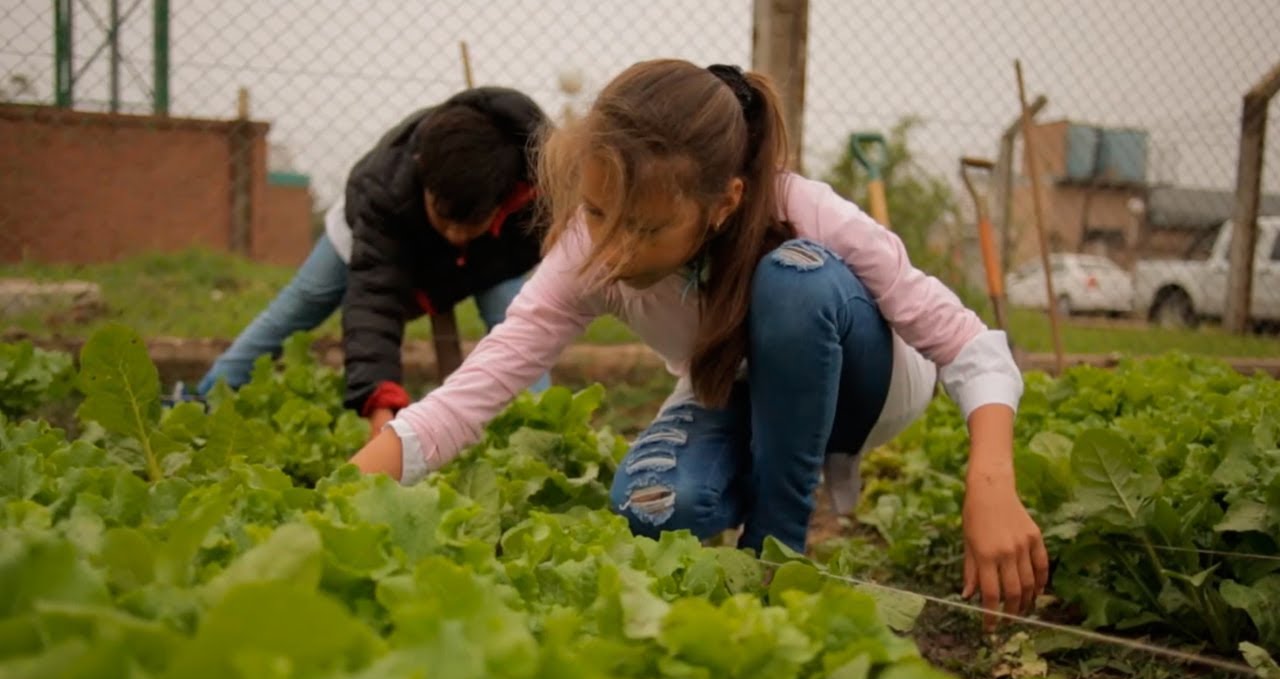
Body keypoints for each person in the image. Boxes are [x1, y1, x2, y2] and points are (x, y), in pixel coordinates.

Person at [350, 60, 1049, 625]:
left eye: (647, 229)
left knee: (794, 281)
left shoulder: (796, 207)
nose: (615, 250)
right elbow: (472, 395)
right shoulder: (588, 251)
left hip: (864, 389)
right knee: (652, 505)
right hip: (736, 390)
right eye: (598, 213)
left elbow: (971, 347)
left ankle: (778, 557)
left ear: (725, 202)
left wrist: (989, 482)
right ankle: (742, 501)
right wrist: (340, 498)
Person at [195, 87, 553, 434]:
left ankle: (543, 428)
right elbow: (374, 302)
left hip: (487, 257)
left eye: (469, 224)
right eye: (444, 219)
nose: (455, 234)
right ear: (424, 179)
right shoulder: (384, 192)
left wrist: (441, 286)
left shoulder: (542, 183)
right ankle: (207, 396)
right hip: (368, 237)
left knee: (517, 323)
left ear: (505, 199)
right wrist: (380, 401)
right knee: (303, 301)